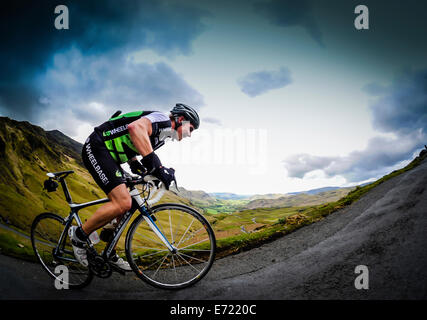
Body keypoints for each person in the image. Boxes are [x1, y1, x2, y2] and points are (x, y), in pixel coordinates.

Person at [69, 103, 200, 270]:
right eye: (191, 128)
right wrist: (158, 167)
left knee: (126, 206)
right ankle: (78, 236)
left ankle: (109, 252)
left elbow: (131, 142)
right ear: (181, 119)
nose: (190, 134)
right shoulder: (162, 120)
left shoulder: (162, 137)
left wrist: (135, 164)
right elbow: (135, 127)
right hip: (97, 147)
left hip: (110, 156)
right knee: (122, 202)